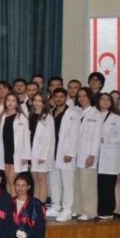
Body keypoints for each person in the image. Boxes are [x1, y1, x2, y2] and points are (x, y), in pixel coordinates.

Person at [49, 88, 81, 221]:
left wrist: (70, 152)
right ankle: (56, 206)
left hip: (65, 152)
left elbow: (75, 134)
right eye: (56, 96)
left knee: (67, 183)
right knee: (54, 180)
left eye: (61, 96)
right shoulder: (50, 112)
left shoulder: (73, 114)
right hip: (53, 152)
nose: (59, 99)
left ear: (66, 97)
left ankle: (68, 209)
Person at [75, 89, 105, 221]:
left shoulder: (96, 114)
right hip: (76, 152)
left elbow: (97, 137)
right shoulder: (77, 112)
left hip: (88, 153)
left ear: (90, 97)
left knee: (88, 184)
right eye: (79, 96)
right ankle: (77, 208)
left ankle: (89, 211)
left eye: (84, 96)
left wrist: (92, 155)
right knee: (77, 183)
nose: (82, 98)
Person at [28, 94, 55, 206]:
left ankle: (41, 205)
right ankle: (35, 204)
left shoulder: (47, 117)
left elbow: (49, 138)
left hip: (41, 154)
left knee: (42, 180)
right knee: (35, 180)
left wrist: (43, 155)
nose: (37, 103)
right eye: (35, 100)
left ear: (44, 103)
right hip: (32, 152)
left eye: (40, 101)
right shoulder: (31, 115)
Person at [1, 94, 31, 184]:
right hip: (5, 151)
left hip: (16, 151)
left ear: (17, 103)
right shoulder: (2, 116)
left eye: (13, 100)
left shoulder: (22, 118)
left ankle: (14, 195)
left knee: (12, 179)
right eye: (8, 100)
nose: (10, 102)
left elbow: (26, 138)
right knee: (7, 179)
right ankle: (8, 194)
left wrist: (27, 155)